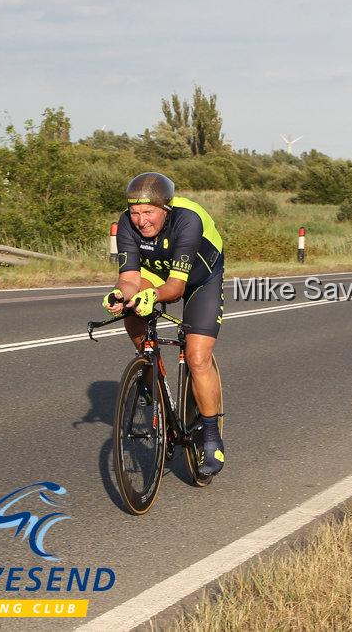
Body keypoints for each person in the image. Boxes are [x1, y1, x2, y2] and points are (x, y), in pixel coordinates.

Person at [102, 172, 226, 476]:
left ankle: (211, 435)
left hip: (198, 279)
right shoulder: (126, 223)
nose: (141, 221)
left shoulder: (188, 220)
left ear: (165, 210)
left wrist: (153, 296)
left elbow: (176, 287)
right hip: (157, 274)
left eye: (149, 212)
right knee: (130, 306)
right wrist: (122, 294)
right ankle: (149, 369)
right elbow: (130, 278)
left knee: (197, 358)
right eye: (135, 213)